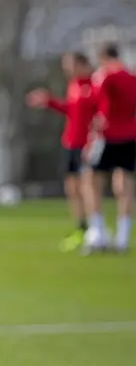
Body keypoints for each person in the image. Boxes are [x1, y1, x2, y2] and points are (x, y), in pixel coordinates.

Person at [26, 52, 98, 252]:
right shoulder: (74, 85)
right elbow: (72, 111)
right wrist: (48, 101)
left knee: (87, 187)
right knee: (72, 188)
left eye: (70, 65)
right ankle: (81, 228)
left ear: (82, 63)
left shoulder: (94, 84)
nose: (67, 69)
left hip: (87, 144)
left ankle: (95, 229)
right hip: (71, 142)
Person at [82, 43, 136, 254]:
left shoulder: (105, 75)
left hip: (108, 134)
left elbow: (93, 100)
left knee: (91, 181)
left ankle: (98, 233)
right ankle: (123, 237)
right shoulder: (131, 76)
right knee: (125, 184)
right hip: (130, 134)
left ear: (103, 57)